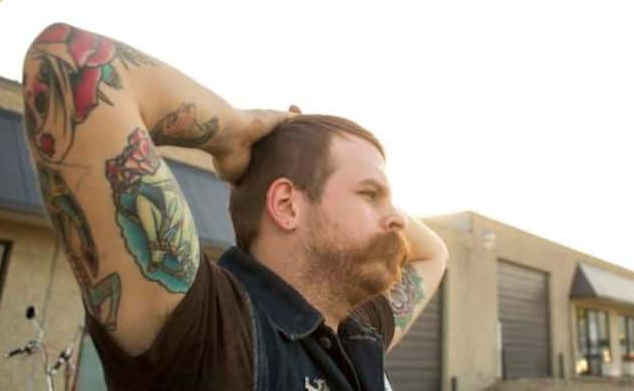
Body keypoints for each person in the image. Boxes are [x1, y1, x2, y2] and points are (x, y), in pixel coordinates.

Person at [22, 23, 449, 390]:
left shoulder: (359, 332)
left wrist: (370, 182)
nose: (397, 218)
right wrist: (235, 133)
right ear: (286, 205)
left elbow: (435, 253)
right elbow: (66, 60)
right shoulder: (213, 329)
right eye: (369, 194)